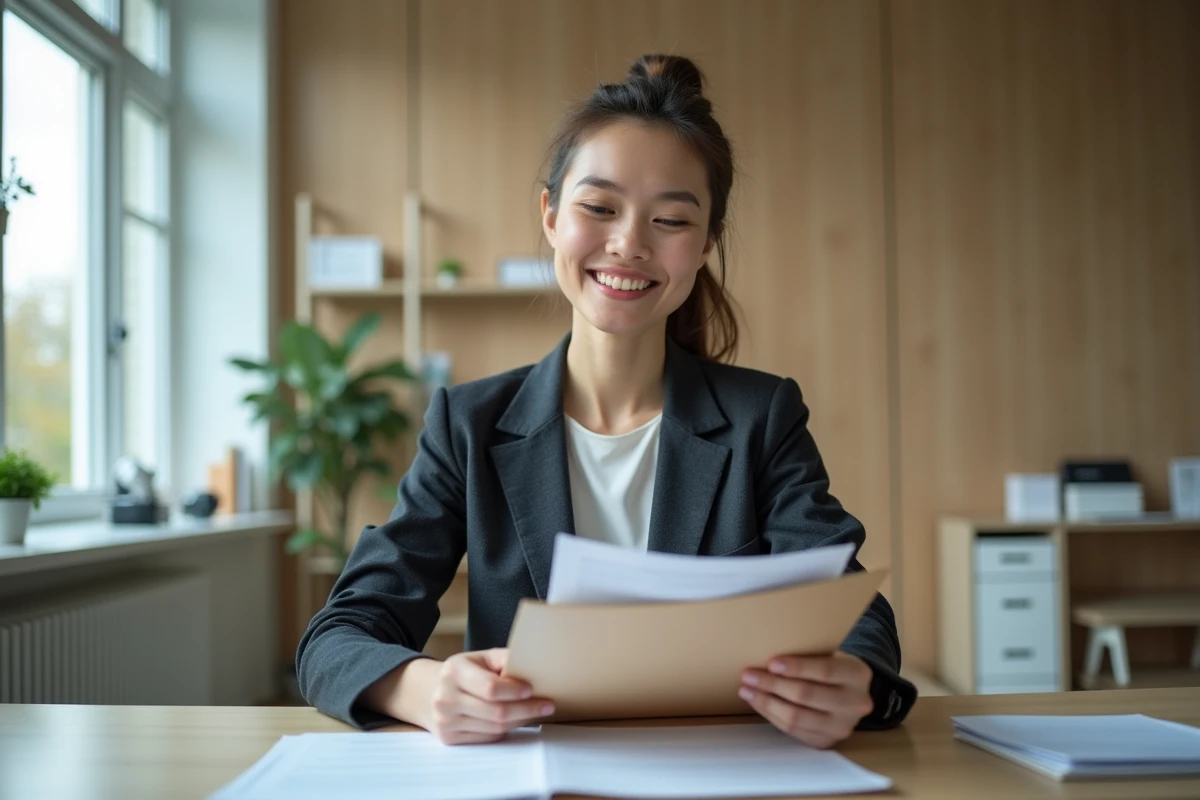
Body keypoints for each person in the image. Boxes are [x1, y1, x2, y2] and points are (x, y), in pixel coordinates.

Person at [297, 53, 917, 748]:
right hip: (529, 777)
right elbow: (339, 636)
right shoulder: (468, 425)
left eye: (672, 221)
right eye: (599, 207)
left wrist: (852, 681)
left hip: (718, 773)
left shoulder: (761, 419)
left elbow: (854, 608)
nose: (628, 245)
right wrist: (420, 687)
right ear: (552, 214)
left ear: (707, 242)